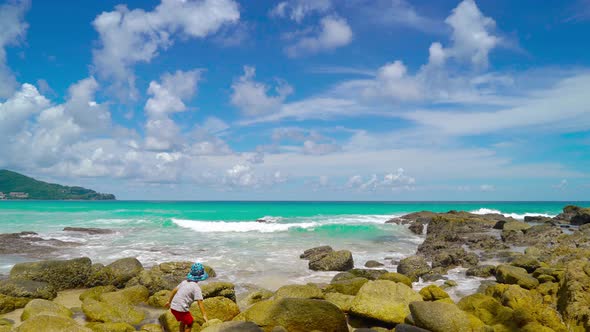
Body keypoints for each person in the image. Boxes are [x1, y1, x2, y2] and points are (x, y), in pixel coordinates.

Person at [165, 262, 209, 332]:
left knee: (183, 321)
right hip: (181, 309)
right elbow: (200, 302)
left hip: (173, 308)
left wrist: (169, 301)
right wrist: (204, 315)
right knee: (190, 323)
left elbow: (174, 290)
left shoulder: (184, 282)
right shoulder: (196, 287)